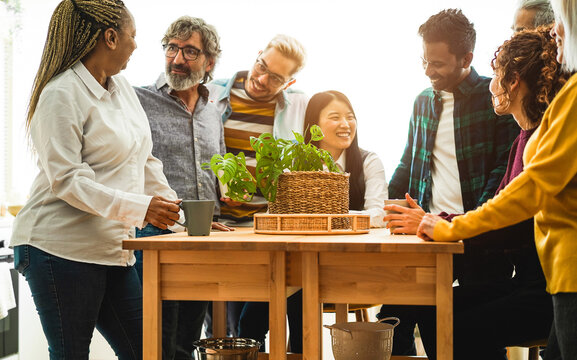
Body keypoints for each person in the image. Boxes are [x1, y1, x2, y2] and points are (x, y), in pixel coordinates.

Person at [10, 0, 182, 359]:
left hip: (113, 251)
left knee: (148, 352)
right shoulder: (60, 93)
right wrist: (142, 208)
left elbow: (144, 161)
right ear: (110, 37)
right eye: (132, 36)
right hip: (58, 248)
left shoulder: (123, 91)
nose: (136, 45)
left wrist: (181, 216)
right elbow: (68, 179)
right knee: (72, 353)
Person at [390, 26, 567, 360]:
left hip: (547, 290)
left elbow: (509, 220)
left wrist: (437, 223)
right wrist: (433, 220)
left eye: (498, 76)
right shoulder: (522, 140)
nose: (491, 83)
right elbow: (501, 208)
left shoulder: (539, 141)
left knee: (456, 322)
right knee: (433, 310)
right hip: (529, 282)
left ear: (514, 82)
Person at [379, 8, 519, 356]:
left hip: (481, 240)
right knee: (392, 321)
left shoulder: (497, 101)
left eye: (438, 64)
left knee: (474, 336)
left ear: (466, 57)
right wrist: (386, 205)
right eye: (424, 61)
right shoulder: (422, 102)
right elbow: (409, 162)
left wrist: (463, 223)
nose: (429, 71)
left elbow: (502, 175)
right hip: (427, 237)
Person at [133, 16, 233, 360]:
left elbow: (217, 168)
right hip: (154, 236)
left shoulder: (212, 110)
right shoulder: (138, 101)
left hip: (203, 240)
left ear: (210, 63)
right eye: (171, 48)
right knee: (156, 342)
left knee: (189, 342)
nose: (177, 59)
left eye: (190, 51)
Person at [205, 34, 308, 339]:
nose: (261, 79)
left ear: (288, 83)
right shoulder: (210, 94)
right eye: (261, 66)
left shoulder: (295, 107)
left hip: (263, 231)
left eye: (275, 78)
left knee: (251, 329)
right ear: (258, 54)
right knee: (219, 330)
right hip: (218, 227)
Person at [303, 90, 388, 227]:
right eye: (335, 118)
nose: (346, 124)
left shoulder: (369, 161)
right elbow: (276, 213)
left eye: (350, 117)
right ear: (314, 124)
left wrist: (330, 221)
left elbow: (379, 214)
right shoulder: (295, 163)